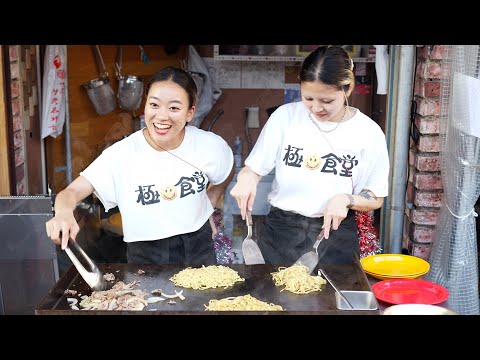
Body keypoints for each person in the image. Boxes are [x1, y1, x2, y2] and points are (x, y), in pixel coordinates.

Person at [46, 66, 235, 265]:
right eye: (154, 105)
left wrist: (211, 199)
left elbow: (227, 168)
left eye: (174, 108)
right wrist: (63, 213)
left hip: (199, 248)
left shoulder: (209, 145)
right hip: (147, 255)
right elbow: (72, 192)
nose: (162, 116)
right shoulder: (122, 154)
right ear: (145, 106)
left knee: (207, 296)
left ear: (190, 112)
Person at [230, 45, 389, 265]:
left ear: (348, 88)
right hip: (281, 230)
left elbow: (376, 197)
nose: (316, 109)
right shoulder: (285, 118)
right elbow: (254, 168)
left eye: (327, 101)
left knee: (331, 298)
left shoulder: (368, 133)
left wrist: (346, 199)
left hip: (334, 234)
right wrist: (247, 178)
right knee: (269, 296)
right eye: (308, 98)